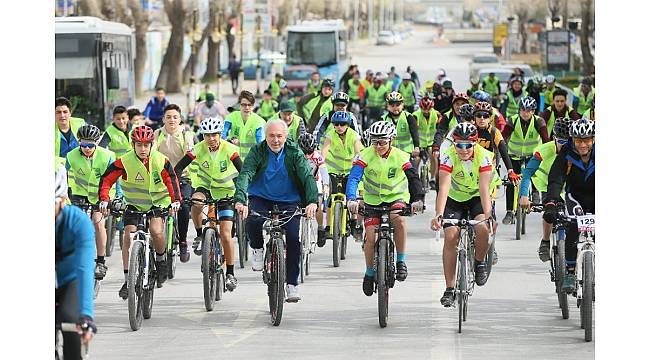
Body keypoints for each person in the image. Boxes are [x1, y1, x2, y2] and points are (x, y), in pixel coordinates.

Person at [233, 119, 319, 302]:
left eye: (279, 136)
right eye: (271, 136)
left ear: (286, 137)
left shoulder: (294, 152)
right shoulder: (257, 151)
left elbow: (306, 176)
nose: (275, 140)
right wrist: (240, 199)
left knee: (294, 240)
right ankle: (256, 248)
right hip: (261, 197)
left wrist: (312, 201)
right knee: (253, 220)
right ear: (266, 136)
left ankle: (292, 284)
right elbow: (246, 174)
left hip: (289, 200)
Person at [98, 125, 182, 299]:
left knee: (156, 231)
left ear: (152, 145)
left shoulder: (161, 160)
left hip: (158, 203)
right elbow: (106, 180)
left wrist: (175, 201)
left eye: (146, 145)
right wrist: (104, 199)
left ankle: (161, 261)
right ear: (133, 144)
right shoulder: (124, 161)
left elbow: (171, 181)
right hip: (134, 205)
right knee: (128, 237)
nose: (143, 149)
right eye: (139, 145)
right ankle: (128, 279)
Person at [345, 121, 425, 296]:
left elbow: (413, 178)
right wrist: (351, 198)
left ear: (391, 140)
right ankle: (369, 272)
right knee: (370, 238)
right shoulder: (364, 155)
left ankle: (401, 261)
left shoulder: (401, 156)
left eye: (382, 142)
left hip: (396, 198)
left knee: (400, 220)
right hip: (373, 201)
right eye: (374, 142)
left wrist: (418, 199)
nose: (378, 146)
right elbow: (353, 179)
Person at [430, 123, 498, 307]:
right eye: (459, 144)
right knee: (451, 237)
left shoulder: (484, 158)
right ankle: (450, 289)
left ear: (475, 144)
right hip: (454, 198)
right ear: (454, 144)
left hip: (477, 197)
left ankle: (479, 261)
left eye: (468, 145)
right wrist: (438, 214)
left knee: (482, 228)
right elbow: (443, 188)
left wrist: (489, 214)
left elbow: (484, 190)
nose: (463, 149)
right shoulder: (448, 156)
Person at [174, 117, 243, 291]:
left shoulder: (230, 149)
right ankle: (199, 234)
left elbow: (243, 171)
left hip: (226, 192)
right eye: (207, 135)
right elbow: (179, 167)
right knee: (196, 202)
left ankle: (230, 273)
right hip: (204, 187)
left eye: (214, 135)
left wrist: (242, 194)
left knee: (226, 235)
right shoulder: (197, 149)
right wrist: (175, 186)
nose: (211, 138)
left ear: (220, 134)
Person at [543, 118, 595, 293]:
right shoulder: (566, 152)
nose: (582, 145)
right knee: (572, 225)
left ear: (593, 139)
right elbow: (556, 178)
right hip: (576, 197)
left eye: (587, 140)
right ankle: (571, 272)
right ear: (572, 139)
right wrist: (551, 201)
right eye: (578, 140)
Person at [66, 124, 119, 283]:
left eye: (91, 145)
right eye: (83, 145)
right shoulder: (71, 156)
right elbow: (63, 177)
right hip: (79, 194)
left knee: (98, 223)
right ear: (79, 142)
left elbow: (115, 180)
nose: (87, 148)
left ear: (97, 143)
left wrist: (114, 198)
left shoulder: (107, 156)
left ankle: (101, 261)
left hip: (101, 196)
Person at [55, 165, 97, 359]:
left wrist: (86, 316)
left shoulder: (79, 222)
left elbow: (84, 269)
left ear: (62, 201)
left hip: (70, 278)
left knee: (71, 320)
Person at [518, 118, 572, 262]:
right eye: (561, 142)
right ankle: (546, 241)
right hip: (547, 185)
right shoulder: (543, 150)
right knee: (549, 211)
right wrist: (523, 195)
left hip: (567, 187)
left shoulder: (576, 150)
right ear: (554, 138)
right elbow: (527, 173)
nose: (564, 146)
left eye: (568, 142)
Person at [152, 104, 196, 262]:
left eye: (175, 117)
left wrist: (175, 173)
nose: (172, 120)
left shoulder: (186, 134)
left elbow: (190, 155)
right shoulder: (157, 134)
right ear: (163, 119)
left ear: (180, 119)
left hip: (182, 176)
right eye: (168, 117)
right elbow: (152, 153)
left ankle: (183, 241)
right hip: (162, 177)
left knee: (183, 206)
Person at [501, 96, 551, 224]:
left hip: (532, 155)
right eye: (523, 109)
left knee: (534, 173)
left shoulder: (539, 122)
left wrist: (548, 155)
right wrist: (501, 150)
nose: (525, 112)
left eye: (529, 110)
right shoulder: (513, 120)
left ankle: (535, 191)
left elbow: (546, 141)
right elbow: (503, 138)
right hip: (514, 155)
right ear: (519, 110)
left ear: (533, 111)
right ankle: (509, 212)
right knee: (511, 181)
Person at [321, 111, 364, 240]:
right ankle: (328, 226)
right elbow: (325, 150)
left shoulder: (354, 135)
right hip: (332, 169)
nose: (339, 127)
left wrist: (358, 160)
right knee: (330, 198)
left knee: (352, 196)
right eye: (336, 124)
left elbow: (358, 150)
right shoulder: (330, 135)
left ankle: (354, 221)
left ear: (348, 124)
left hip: (349, 171)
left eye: (342, 124)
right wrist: (320, 162)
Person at [297, 132, 330, 246]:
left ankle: (320, 228)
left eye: (309, 152)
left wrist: (326, 185)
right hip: (300, 181)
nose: (306, 155)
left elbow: (324, 172)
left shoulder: (317, 156)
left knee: (318, 205)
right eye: (304, 152)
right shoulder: (296, 155)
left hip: (314, 182)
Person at [221, 90, 267, 161]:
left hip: (251, 160)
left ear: (253, 106)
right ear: (239, 105)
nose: (247, 107)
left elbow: (261, 144)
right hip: (233, 160)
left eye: (250, 105)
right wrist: (229, 140)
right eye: (244, 104)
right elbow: (223, 135)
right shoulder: (231, 117)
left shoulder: (258, 121)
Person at [411, 93, 443, 189]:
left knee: (433, 155)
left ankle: (433, 178)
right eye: (423, 110)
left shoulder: (437, 114)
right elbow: (413, 131)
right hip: (419, 143)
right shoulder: (415, 115)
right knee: (416, 159)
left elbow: (440, 130)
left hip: (431, 142)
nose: (426, 112)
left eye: (428, 110)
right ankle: (414, 179)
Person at [381, 91, 421, 164]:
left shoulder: (409, 117)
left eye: (398, 105)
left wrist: (417, 147)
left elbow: (414, 133)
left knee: (412, 174)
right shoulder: (383, 119)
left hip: (407, 153)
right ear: (388, 106)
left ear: (402, 105)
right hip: (390, 153)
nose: (395, 108)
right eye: (392, 105)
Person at [55, 97, 86, 167]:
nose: (62, 115)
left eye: (65, 112)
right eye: (58, 112)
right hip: (58, 171)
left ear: (70, 113)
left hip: (81, 170)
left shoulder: (81, 124)